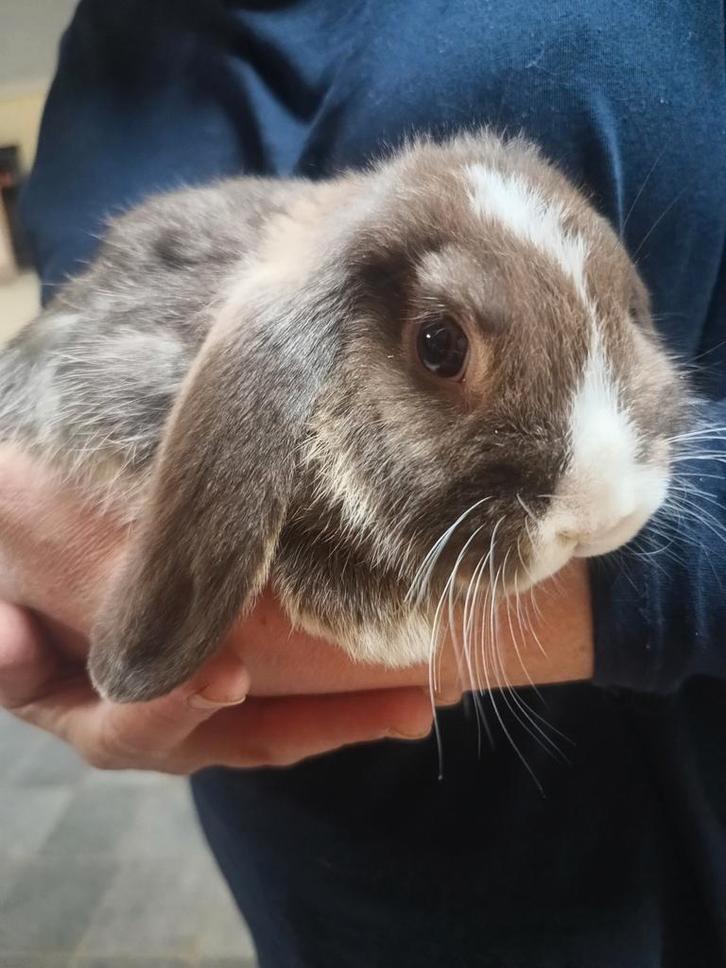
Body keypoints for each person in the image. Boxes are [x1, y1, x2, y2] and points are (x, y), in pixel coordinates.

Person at [1, 1, 724, 965]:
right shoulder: (103, 56)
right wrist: (116, 624)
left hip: (646, 860)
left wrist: (631, 596)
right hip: (315, 860)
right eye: (442, 347)